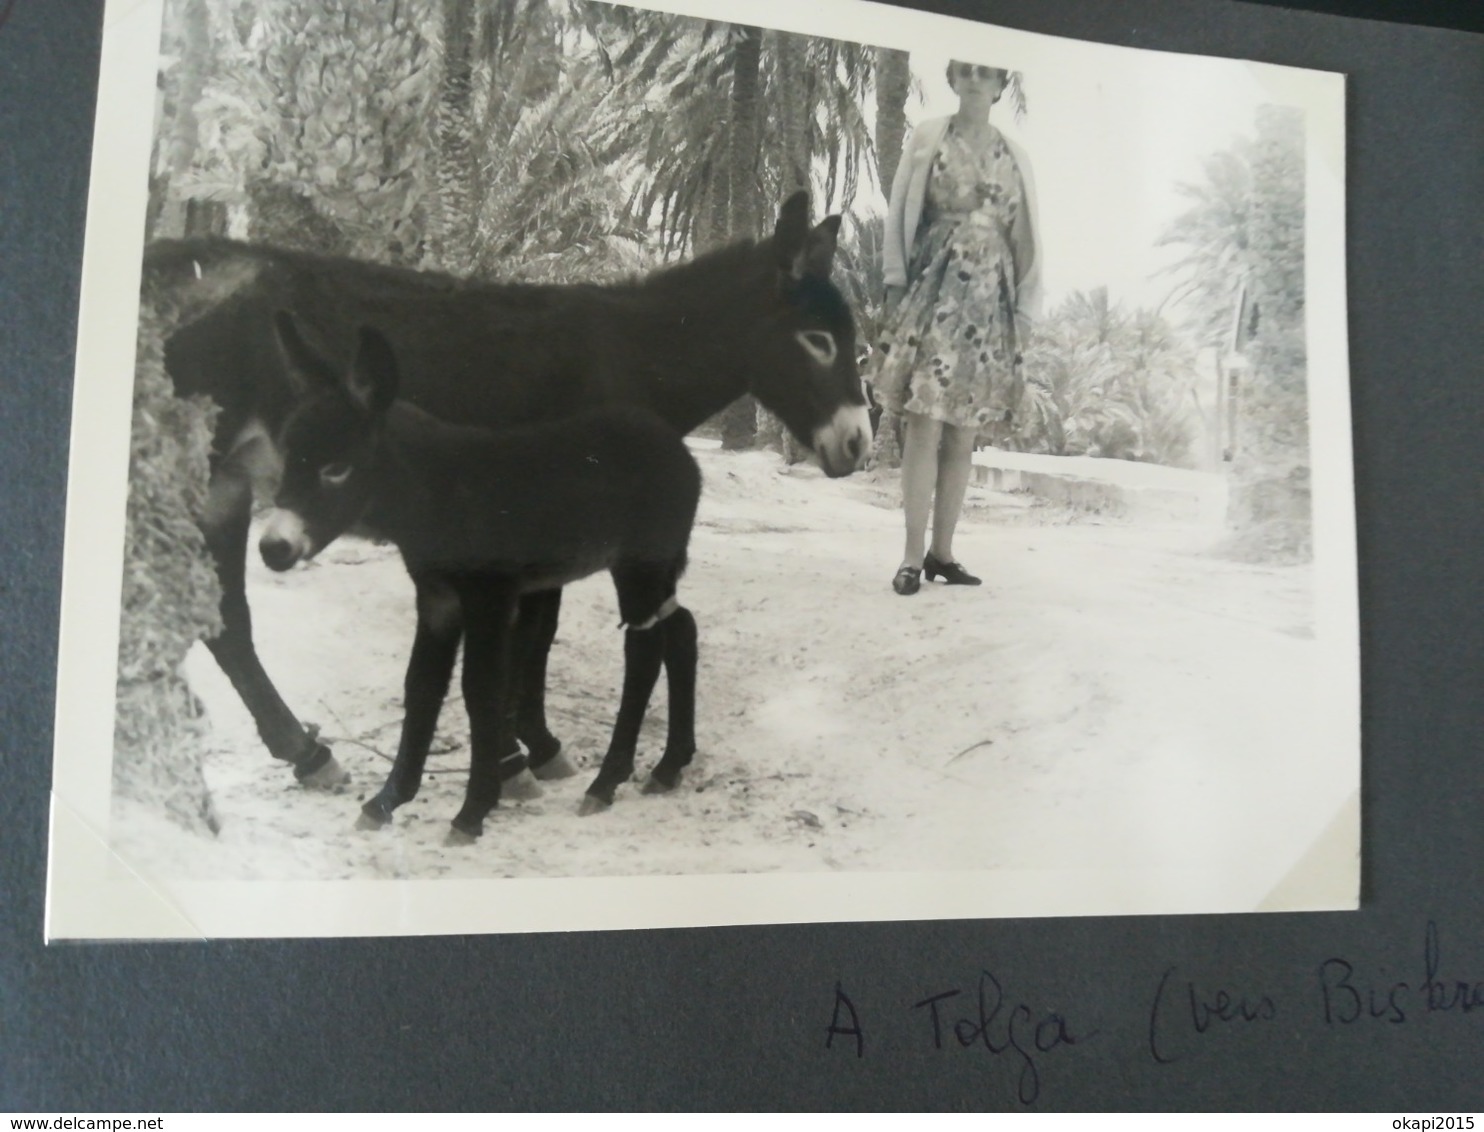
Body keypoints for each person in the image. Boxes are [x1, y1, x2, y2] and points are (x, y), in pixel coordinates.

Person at [872, 61, 1042, 596]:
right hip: (934, 287)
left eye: (986, 73)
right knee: (924, 422)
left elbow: (1026, 236)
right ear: (954, 78)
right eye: (965, 70)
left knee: (964, 432)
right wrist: (895, 281)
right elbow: (902, 209)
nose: (974, 79)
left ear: (999, 86)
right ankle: (909, 557)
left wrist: (1026, 310)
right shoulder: (929, 135)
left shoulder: (1016, 155)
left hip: (990, 299)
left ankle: (942, 553)